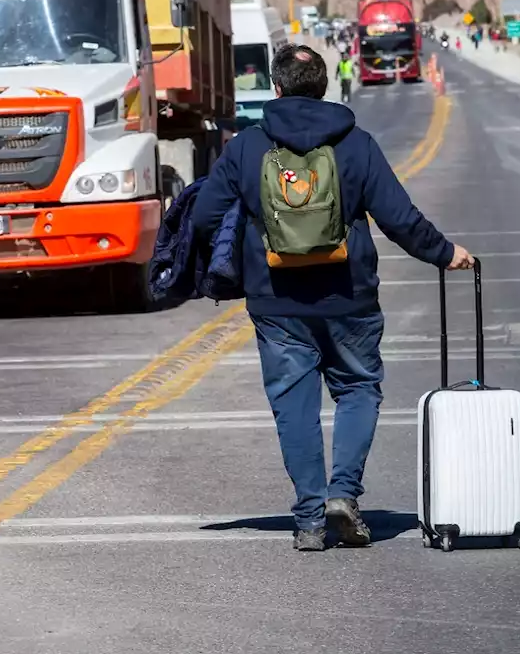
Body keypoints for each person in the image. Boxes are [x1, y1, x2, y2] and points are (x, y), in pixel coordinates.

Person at [191, 45, 473, 552]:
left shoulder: (247, 148)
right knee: (359, 389)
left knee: (293, 406)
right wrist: (444, 253)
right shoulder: (356, 143)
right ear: (324, 87)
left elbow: (205, 217)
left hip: (276, 302)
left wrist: (244, 252)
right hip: (350, 298)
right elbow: (398, 216)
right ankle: (343, 494)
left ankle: (309, 520)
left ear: (276, 88)